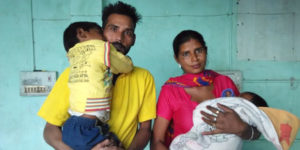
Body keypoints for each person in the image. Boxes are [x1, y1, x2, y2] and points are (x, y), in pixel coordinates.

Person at [38, 1, 156, 150]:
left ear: (133, 39)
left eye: (128, 33)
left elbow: (145, 129)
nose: (119, 38)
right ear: (102, 32)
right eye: (113, 29)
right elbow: (49, 130)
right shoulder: (74, 72)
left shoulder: (143, 77)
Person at [151, 30, 260, 150]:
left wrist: (242, 128)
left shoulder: (224, 83)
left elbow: (257, 130)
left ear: (206, 51)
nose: (194, 58)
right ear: (177, 59)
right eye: (186, 54)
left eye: (198, 50)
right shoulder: (171, 91)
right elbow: (157, 142)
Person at [62, 21, 134, 149]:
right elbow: (125, 66)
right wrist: (128, 61)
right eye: (100, 32)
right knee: (114, 144)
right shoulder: (101, 47)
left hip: (72, 121)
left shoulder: (72, 55)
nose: (104, 38)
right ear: (81, 33)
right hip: (88, 122)